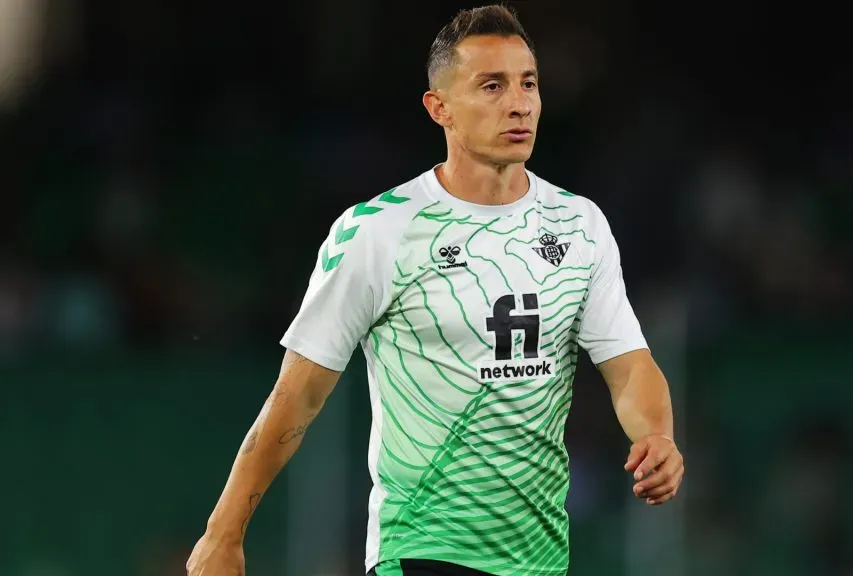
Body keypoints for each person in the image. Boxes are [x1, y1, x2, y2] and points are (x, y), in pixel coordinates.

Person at [186, 4, 684, 576]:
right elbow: (298, 395)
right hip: (422, 550)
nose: (519, 102)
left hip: (540, 558)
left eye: (529, 84)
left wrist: (658, 435)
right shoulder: (379, 230)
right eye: (492, 86)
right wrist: (223, 534)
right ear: (439, 107)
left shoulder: (579, 224)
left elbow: (628, 365)